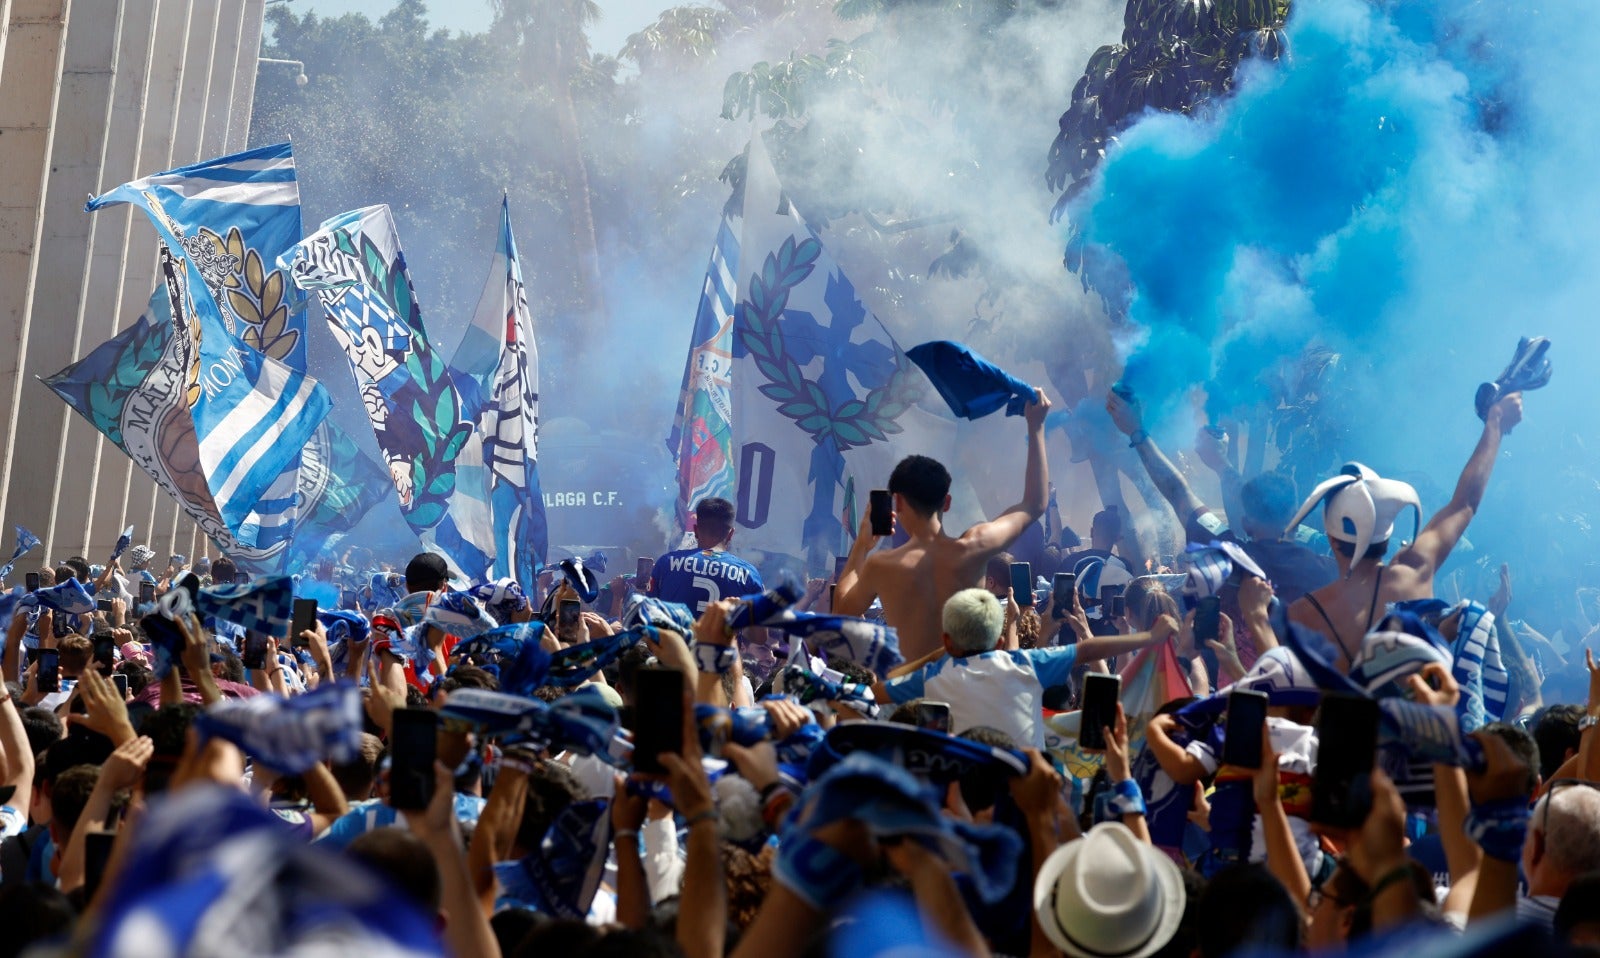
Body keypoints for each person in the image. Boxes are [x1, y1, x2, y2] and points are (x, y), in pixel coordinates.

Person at [1286, 392, 1523, 671]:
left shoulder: (1303, 614)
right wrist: (1495, 423)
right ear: (1386, 538)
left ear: (1331, 538)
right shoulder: (1414, 572)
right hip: (1414, 714)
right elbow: (1466, 503)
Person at [836, 389, 1050, 659]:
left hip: (908, 695)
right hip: (964, 692)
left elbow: (841, 613)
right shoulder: (974, 547)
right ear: (946, 502)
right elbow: (1034, 504)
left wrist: (861, 546)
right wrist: (1036, 426)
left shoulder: (883, 566)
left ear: (898, 503)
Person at [1105, 391, 1336, 603]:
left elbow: (1179, 493)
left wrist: (1137, 432)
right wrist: (1222, 465)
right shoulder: (1329, 568)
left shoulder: (1230, 560)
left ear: (1246, 523)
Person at [875, 588, 1175, 749]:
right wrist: (1151, 637)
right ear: (1001, 640)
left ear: (947, 641)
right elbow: (1087, 650)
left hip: (961, 801)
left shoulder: (932, 677)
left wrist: (937, 654)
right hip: (1026, 797)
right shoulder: (1024, 664)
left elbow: (877, 690)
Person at [648, 497, 763, 614]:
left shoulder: (666, 564)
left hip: (675, 632)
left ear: (696, 531)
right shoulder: (748, 575)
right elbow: (759, 631)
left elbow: (647, 616)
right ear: (731, 534)